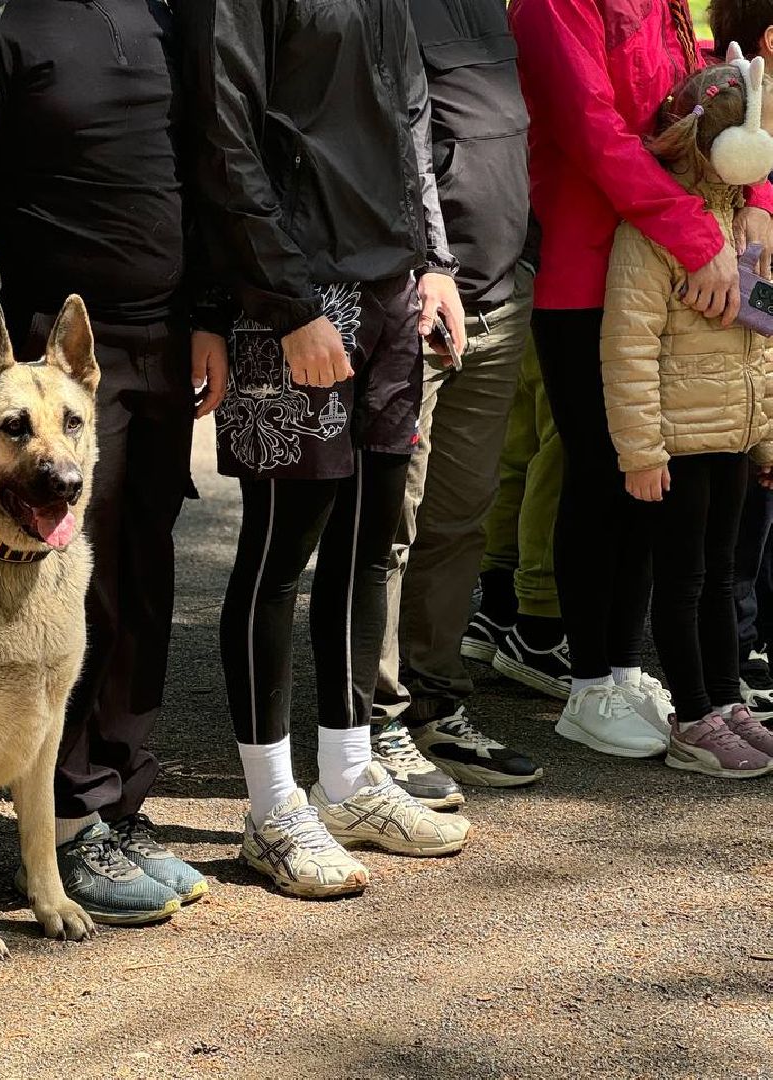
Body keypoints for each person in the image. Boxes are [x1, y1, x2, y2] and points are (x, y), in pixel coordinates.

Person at [0, 0, 222, 926]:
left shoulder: (160, 14)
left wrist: (206, 312)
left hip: (159, 342)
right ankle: (78, 825)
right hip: (46, 369)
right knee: (66, 582)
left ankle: (122, 801)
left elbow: (198, 168)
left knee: (142, 573)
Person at [185, 0, 473, 901]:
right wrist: (289, 304)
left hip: (393, 290)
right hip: (296, 298)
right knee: (278, 560)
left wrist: (435, 263)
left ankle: (348, 781)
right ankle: (272, 811)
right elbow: (222, 138)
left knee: (365, 548)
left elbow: (412, 115)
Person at [510, 0, 773, 759]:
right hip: (591, 268)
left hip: (679, 259)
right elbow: (594, 131)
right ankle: (589, 683)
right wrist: (697, 233)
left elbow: (713, 102)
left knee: (650, 492)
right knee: (602, 474)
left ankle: (624, 669)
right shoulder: (551, 7)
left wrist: (754, 202)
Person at [373, 0, 545, 804]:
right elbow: (383, 148)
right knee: (389, 528)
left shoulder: (492, 11)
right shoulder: (385, 9)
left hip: (500, 303)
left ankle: (437, 706)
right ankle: (375, 723)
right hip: (414, 307)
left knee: (459, 517)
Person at [600, 58, 773, 776]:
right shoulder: (651, 233)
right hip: (677, 441)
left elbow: (763, 335)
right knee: (683, 578)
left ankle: (727, 699)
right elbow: (628, 346)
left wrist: (766, 438)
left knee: (728, 568)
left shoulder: (746, 222)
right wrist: (641, 451)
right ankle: (693, 713)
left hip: (732, 434)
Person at [709, 0, 773, 719]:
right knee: (741, 526)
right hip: (737, 385)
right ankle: (739, 650)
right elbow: (758, 307)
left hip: (755, 381)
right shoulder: (745, 130)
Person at [464, 327, 571, 704]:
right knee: (560, 452)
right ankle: (537, 627)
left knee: (523, 443)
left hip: (528, 290)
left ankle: (500, 608)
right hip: (572, 296)